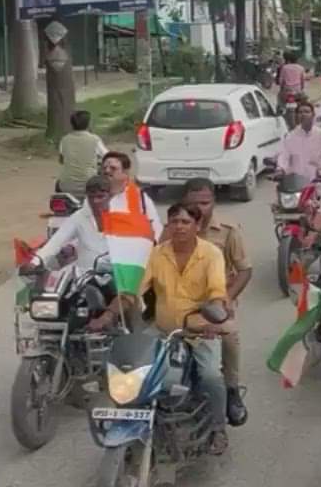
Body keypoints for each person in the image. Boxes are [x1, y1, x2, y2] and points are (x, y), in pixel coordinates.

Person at [90, 204, 233, 453]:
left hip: (198, 331)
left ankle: (218, 429)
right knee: (133, 368)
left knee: (211, 375)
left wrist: (213, 321)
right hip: (163, 330)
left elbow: (217, 292)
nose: (179, 226)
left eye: (186, 222)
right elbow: (133, 291)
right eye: (174, 221)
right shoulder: (156, 254)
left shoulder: (211, 254)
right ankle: (133, 418)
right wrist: (109, 314)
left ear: (197, 226)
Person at [177, 179, 253, 426]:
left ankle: (231, 391)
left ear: (214, 203)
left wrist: (227, 299)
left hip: (215, 304)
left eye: (205, 202)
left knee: (229, 336)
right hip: (178, 303)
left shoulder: (228, 231)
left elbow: (244, 270)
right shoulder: (175, 228)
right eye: (192, 203)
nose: (199, 208)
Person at [33, 176, 111, 271]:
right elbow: (57, 241)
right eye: (91, 197)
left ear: (110, 196)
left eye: (100, 197)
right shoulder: (79, 217)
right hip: (85, 276)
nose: (95, 201)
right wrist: (36, 261)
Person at [102, 151, 163, 236]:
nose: (107, 171)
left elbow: (156, 228)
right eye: (104, 168)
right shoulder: (94, 197)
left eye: (113, 168)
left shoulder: (141, 198)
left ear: (126, 172)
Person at [276, 102, 321, 182]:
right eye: (300, 112)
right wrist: (280, 169)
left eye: (306, 112)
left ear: (313, 115)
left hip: (320, 180)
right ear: (297, 116)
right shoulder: (290, 137)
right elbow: (284, 155)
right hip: (297, 183)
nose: (303, 114)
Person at [56, 110, 107, 196]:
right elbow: (107, 156)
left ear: (72, 124)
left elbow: (61, 160)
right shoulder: (94, 139)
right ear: (89, 124)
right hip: (89, 185)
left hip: (66, 186)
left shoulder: (64, 139)